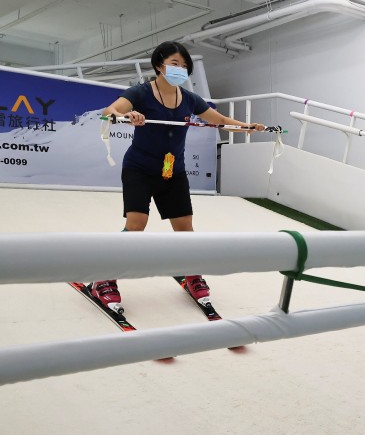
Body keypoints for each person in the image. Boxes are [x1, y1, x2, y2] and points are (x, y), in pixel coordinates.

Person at [89, 41, 264, 313]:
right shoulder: (141, 93)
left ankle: (191, 273)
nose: (180, 69)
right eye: (174, 64)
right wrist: (127, 115)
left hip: (173, 172)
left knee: (185, 230)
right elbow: (108, 112)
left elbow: (217, 120)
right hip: (139, 169)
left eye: (184, 66)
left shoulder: (189, 98)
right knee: (136, 225)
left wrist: (246, 127)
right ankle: (104, 277)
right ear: (159, 65)